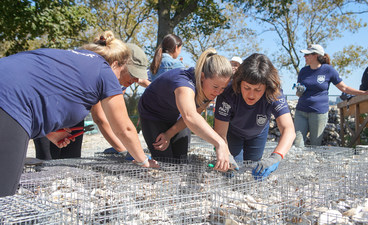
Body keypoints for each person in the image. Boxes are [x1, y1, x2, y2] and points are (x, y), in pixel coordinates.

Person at [0, 31, 159, 197]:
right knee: (4, 196)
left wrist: (49, 131)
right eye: (132, 74)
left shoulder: (79, 60)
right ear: (117, 64)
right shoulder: (105, 72)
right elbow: (124, 128)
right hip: (9, 101)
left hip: (9, 91)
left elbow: (41, 88)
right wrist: (143, 161)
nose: (134, 81)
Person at [138, 48, 237, 171]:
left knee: (181, 161)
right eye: (215, 87)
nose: (218, 92)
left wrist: (169, 134)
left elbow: (192, 116)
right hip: (152, 115)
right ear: (202, 77)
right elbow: (190, 116)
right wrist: (220, 143)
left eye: (222, 88)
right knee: (165, 163)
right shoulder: (184, 82)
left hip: (176, 116)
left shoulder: (209, 90)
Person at [214, 53, 295, 180]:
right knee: (233, 170)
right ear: (239, 83)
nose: (251, 95)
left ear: (267, 87)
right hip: (232, 132)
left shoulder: (274, 93)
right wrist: (225, 154)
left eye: (258, 90)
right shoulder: (228, 93)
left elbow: (288, 129)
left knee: (253, 170)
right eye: (247, 88)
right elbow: (219, 132)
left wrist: (276, 157)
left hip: (258, 133)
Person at [293, 44, 368, 147]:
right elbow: (299, 90)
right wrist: (299, 91)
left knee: (315, 145)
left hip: (318, 113)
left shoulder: (328, 70)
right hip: (301, 111)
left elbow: (344, 88)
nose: (304, 57)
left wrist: (364, 93)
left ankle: (312, 163)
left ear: (316, 55)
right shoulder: (303, 71)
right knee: (297, 144)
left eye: (307, 55)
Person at [97, 43, 150, 156]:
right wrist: (124, 150)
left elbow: (147, 84)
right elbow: (100, 119)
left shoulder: (124, 78)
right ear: (120, 64)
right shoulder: (101, 75)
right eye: (133, 74)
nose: (135, 79)